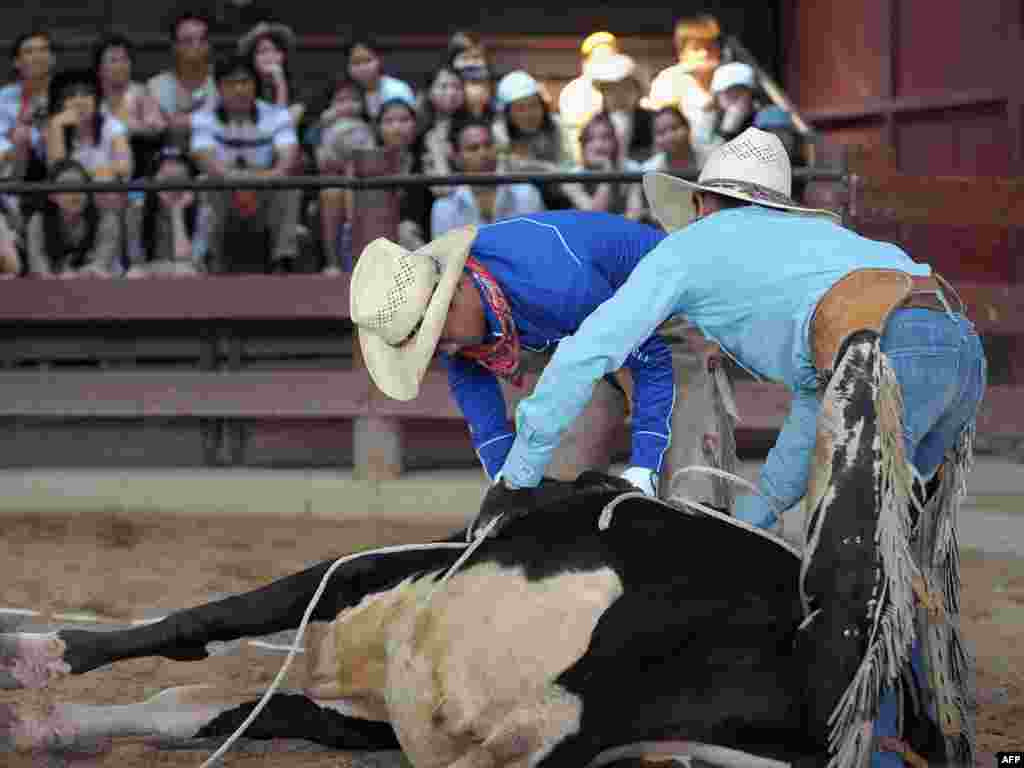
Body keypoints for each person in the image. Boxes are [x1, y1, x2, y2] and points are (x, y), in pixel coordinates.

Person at [472, 127, 984, 768]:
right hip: (956, 349)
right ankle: (937, 728)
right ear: (775, 206)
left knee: (854, 566)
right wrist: (755, 518)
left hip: (885, 355)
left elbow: (590, 347)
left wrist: (519, 471)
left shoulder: (689, 249)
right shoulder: (821, 251)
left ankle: (878, 751)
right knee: (904, 553)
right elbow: (814, 401)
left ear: (703, 204)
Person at [349, 210, 734, 505]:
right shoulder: (455, 325)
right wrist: (507, 486)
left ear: (453, 297)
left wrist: (645, 464)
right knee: (555, 495)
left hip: (665, 317)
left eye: (436, 340)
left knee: (689, 491)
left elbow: (650, 358)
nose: (442, 353)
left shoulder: (553, 281)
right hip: (585, 334)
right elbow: (482, 408)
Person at [190, 54, 300, 274]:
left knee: (289, 185)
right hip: (226, 193)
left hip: (263, 195)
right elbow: (207, 162)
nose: (239, 89)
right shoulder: (204, 118)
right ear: (219, 88)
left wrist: (255, 181)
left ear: (255, 85)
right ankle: (208, 259)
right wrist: (242, 180)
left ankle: (283, 259)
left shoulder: (277, 116)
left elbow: (286, 162)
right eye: (231, 83)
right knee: (206, 182)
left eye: (245, 82)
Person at [430, 115, 543, 235]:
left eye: (488, 145)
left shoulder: (527, 194)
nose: (483, 153)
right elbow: (443, 253)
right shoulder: (444, 208)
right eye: (473, 148)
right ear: (457, 157)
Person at [647, 14, 723, 163]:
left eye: (710, 46)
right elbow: (660, 136)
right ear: (682, 52)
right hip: (680, 165)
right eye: (696, 48)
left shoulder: (729, 77)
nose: (704, 53)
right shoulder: (667, 81)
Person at [24, 158, 120, 277]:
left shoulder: (106, 218)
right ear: (52, 195)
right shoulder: (38, 221)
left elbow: (102, 264)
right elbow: (38, 267)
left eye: (80, 185)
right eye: (66, 186)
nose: (75, 193)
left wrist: (78, 276)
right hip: (51, 289)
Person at [126, 148, 210, 276]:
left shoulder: (203, 211)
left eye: (179, 179)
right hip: (150, 267)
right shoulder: (139, 208)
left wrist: (177, 211)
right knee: (134, 275)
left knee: (183, 272)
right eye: (166, 179)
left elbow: (190, 260)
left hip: (186, 268)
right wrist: (139, 210)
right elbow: (136, 258)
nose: (172, 188)